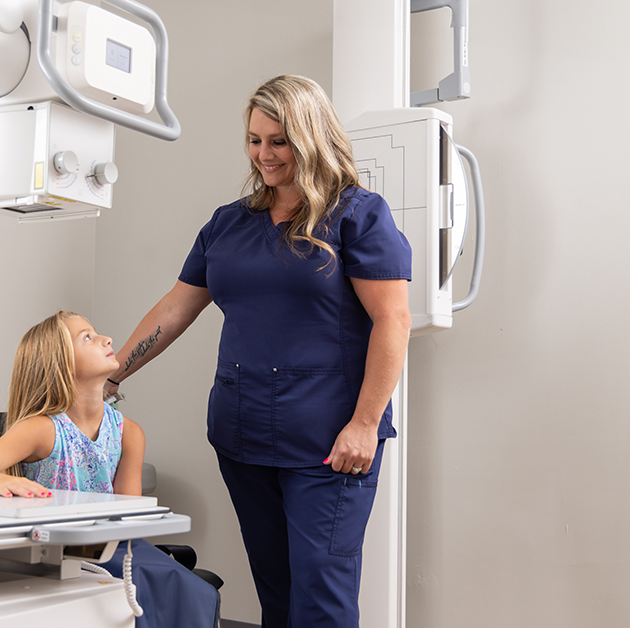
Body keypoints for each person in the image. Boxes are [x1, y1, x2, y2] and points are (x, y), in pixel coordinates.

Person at [104, 75, 413, 628]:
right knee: (277, 592)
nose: (264, 155)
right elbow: (176, 307)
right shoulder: (229, 223)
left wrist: (366, 423)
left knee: (322, 598)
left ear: (311, 138)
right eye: (255, 140)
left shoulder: (356, 215)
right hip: (243, 434)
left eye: (279, 141)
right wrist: (110, 376)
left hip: (330, 441)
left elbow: (393, 320)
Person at [0, 310, 219, 628]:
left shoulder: (128, 432)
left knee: (184, 587)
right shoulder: (41, 430)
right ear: (60, 363)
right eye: (87, 337)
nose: (107, 340)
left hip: (111, 549)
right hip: (57, 554)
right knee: (169, 584)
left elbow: (128, 521)